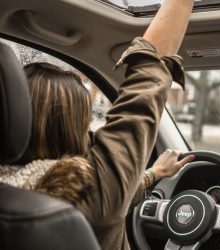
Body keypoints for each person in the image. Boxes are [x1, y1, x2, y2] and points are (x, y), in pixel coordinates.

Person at [0, 1, 196, 249]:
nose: (90, 131)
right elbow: (148, 75)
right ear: (72, 130)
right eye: (85, 123)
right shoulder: (86, 192)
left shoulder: (11, 194)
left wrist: (152, 175)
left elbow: (116, 188)